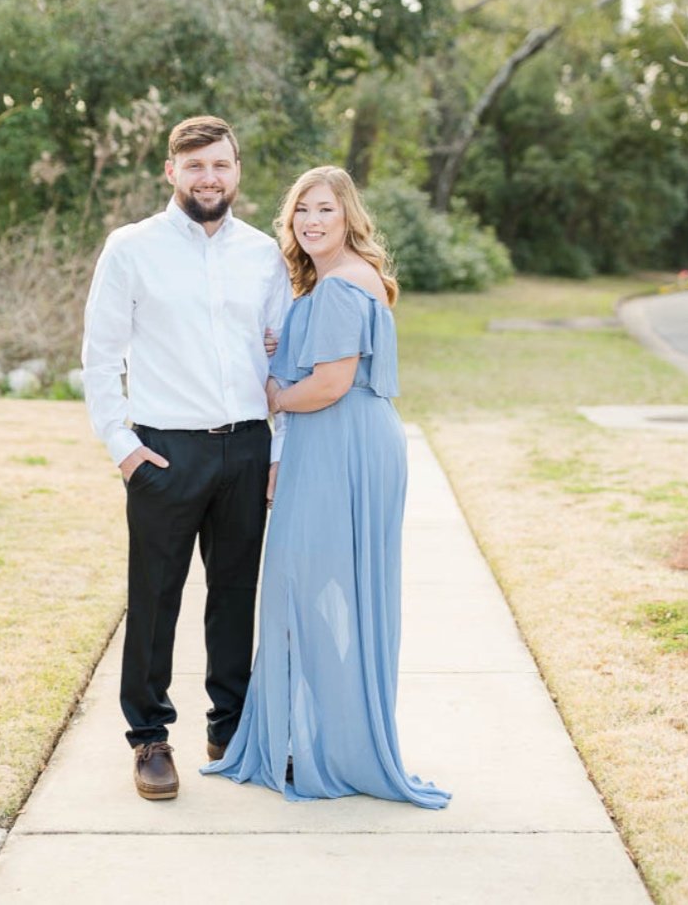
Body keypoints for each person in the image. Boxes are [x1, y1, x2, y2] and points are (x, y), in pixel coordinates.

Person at [203, 165, 449, 808]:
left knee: (306, 589)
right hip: (336, 443)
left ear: (348, 219)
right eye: (302, 212)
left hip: (343, 443)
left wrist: (276, 394)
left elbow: (330, 384)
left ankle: (316, 747)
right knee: (320, 590)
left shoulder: (341, 286)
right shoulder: (334, 283)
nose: (312, 222)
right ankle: (315, 738)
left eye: (326, 211)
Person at [82, 115, 291, 801]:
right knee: (154, 599)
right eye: (195, 166)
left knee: (234, 596)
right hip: (164, 452)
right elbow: (100, 352)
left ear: (237, 173)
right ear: (170, 171)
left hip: (246, 447)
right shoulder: (132, 247)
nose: (209, 178)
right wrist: (124, 448)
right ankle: (149, 738)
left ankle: (228, 726)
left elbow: (279, 356)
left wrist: (276, 449)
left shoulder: (264, 254)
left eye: (221, 166)